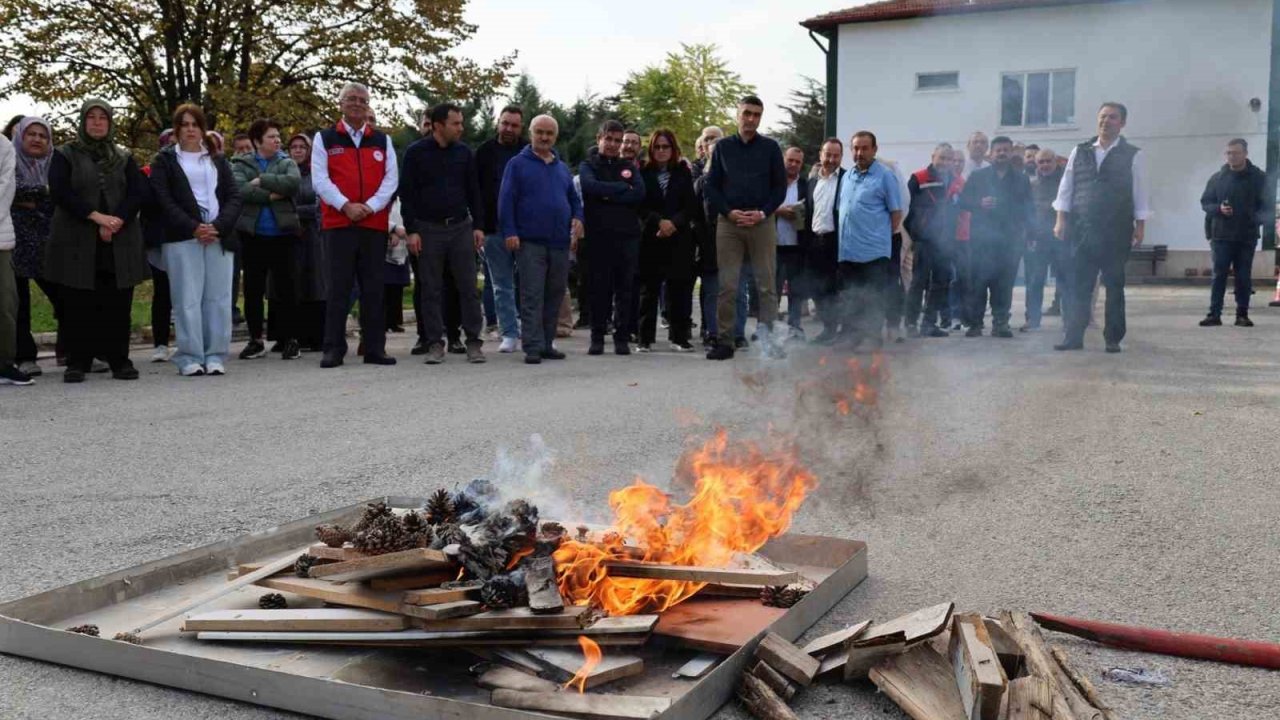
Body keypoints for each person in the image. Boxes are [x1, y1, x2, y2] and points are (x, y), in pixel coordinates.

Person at [44, 99, 148, 383]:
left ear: (110, 122)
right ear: (83, 121)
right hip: (77, 238)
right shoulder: (65, 154)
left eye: (103, 117)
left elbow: (137, 192)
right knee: (77, 302)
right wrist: (96, 218)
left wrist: (116, 221)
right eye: (92, 117)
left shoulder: (123, 156)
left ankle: (120, 361)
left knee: (117, 302)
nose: (98, 122)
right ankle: (77, 362)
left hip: (119, 239)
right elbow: (61, 192)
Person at [148, 104, 244, 376]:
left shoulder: (218, 160)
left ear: (203, 129)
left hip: (218, 236)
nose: (190, 129)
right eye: (184, 124)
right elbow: (163, 199)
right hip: (181, 237)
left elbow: (234, 196)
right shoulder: (164, 161)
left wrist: (217, 226)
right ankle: (189, 356)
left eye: (195, 124)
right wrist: (193, 227)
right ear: (176, 129)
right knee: (186, 298)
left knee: (219, 298)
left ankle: (215, 354)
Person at [312, 81, 399, 367]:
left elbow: (391, 180)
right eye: (351, 99)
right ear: (340, 103)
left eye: (362, 100)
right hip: (338, 223)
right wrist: (345, 206)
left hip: (373, 225)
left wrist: (371, 207)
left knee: (374, 288)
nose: (357, 104)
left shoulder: (382, 140)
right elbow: (320, 180)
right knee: (338, 287)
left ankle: (375, 348)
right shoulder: (324, 139)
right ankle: (333, 349)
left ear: (368, 105)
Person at [1053, 102, 1152, 353]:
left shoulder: (1133, 154)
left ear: (1122, 123)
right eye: (1103, 116)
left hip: (1116, 230)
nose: (1106, 121)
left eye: (1112, 117)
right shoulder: (1080, 150)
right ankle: (1073, 337)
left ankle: (1113, 338)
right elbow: (1066, 187)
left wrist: (1140, 226)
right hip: (1082, 229)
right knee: (1079, 286)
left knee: (1114, 287)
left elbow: (1140, 192)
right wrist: (1060, 219)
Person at [400, 103, 485, 365]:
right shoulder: (415, 153)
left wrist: (478, 226)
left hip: (460, 227)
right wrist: (412, 230)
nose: (461, 128)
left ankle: (473, 342)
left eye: (461, 123)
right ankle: (435, 343)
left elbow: (474, 191)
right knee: (430, 288)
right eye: (456, 123)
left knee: (468, 287)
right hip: (427, 229)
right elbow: (407, 194)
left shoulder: (464, 153)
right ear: (438, 126)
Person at [704, 96, 787, 360]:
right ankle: (725, 341)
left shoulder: (771, 148)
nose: (751, 119)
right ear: (737, 114)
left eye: (757, 115)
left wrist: (763, 212)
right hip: (729, 224)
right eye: (747, 113)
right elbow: (711, 186)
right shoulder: (722, 148)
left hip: (762, 223)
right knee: (728, 286)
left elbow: (780, 188)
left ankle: (769, 341)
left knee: (766, 286)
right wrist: (729, 212)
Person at [497, 114, 583, 364]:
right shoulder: (517, 164)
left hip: (559, 242)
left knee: (554, 293)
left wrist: (579, 217)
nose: (544, 137)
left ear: (555, 136)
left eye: (549, 133)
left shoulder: (562, 167)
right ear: (531, 133)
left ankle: (546, 343)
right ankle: (532, 346)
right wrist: (510, 231)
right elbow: (506, 200)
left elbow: (574, 199)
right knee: (532, 294)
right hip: (529, 242)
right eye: (540, 132)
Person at [232, 118, 302, 361]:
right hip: (253, 236)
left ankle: (291, 339)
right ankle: (255, 339)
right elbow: (240, 190)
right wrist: (273, 195)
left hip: (284, 235)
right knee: (253, 290)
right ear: (257, 141)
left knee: (287, 289)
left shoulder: (287, 162)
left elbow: (293, 184)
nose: (277, 140)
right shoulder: (240, 163)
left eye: (278, 136)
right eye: (272, 137)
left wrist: (262, 181)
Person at [579, 119, 645, 356]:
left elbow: (638, 193)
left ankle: (622, 338)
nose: (613, 144)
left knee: (625, 290)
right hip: (598, 238)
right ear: (599, 139)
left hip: (627, 237)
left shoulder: (630, 167)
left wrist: (606, 192)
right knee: (599, 289)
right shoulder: (588, 165)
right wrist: (620, 188)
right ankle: (597, 337)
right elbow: (589, 187)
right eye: (609, 139)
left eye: (618, 140)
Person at [835, 131, 902, 350]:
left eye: (864, 148)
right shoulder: (847, 176)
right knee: (852, 296)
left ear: (874, 149)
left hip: (874, 251)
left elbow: (896, 213)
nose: (859, 153)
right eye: (855, 148)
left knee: (873, 297)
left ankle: (872, 339)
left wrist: (879, 238)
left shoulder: (885, 175)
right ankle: (853, 336)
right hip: (847, 250)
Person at [959, 136, 1031, 338]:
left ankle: (1001, 323)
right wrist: (979, 203)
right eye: (998, 150)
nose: (1002, 153)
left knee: (1004, 284)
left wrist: (1031, 234)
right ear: (991, 153)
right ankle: (975, 324)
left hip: (1010, 241)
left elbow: (1029, 209)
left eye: (1006, 150)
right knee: (978, 283)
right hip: (981, 241)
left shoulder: (1021, 178)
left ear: (1011, 153)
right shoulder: (978, 176)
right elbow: (963, 202)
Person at [637, 128, 700, 352]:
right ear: (651, 149)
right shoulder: (643, 172)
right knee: (649, 289)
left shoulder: (683, 173)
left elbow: (691, 206)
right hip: (651, 237)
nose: (661, 151)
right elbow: (640, 205)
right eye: (657, 147)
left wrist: (673, 223)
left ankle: (679, 337)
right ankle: (644, 338)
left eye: (666, 146)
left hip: (679, 237)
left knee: (679, 288)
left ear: (673, 149)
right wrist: (659, 222)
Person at [1198, 138, 1268, 327]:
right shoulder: (1217, 178)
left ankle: (1242, 315)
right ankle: (1214, 314)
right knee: (1219, 275)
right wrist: (1219, 209)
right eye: (1228, 153)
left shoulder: (1259, 178)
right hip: (1221, 235)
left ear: (1245, 154)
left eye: (1235, 153)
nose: (1231, 156)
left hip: (1246, 235)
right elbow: (1205, 203)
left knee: (1243, 276)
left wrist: (1254, 219)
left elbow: (1267, 206)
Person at [10, 117, 59, 377]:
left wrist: (32, 198)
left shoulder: (55, 164)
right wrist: (44, 193)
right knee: (20, 303)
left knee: (64, 297)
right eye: (32, 134)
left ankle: (71, 350)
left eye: (43, 135)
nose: (37, 139)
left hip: (50, 241)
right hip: (16, 241)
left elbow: (63, 195)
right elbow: (10, 190)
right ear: (21, 136)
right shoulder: (8, 161)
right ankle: (25, 357)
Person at [476, 105, 527, 353]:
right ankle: (508, 332)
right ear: (498, 122)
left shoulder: (528, 152)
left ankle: (530, 330)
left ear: (521, 127)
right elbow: (473, 192)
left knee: (529, 283)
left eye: (514, 125)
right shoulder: (484, 152)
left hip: (525, 228)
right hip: (492, 228)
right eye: (505, 123)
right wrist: (477, 227)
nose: (508, 129)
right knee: (501, 284)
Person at [903, 143, 955, 338]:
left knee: (941, 283)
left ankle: (929, 323)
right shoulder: (919, 178)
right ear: (933, 156)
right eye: (942, 157)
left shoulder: (955, 181)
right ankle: (910, 323)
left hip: (946, 242)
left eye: (949, 159)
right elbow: (905, 208)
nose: (945, 162)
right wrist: (914, 235)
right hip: (923, 241)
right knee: (918, 282)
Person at [287, 132, 327, 350]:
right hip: (290, 234)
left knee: (316, 284)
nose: (298, 150)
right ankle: (294, 336)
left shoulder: (317, 174)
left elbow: (321, 205)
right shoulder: (284, 174)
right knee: (295, 284)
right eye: (294, 147)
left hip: (315, 234)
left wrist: (297, 212)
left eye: (302, 146)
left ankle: (317, 336)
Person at [0, 131, 32, 385]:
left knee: (6, 303)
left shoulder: (4, 146)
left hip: (0, 238)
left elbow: (6, 187)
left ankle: (4, 364)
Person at [806, 137, 845, 344]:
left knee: (837, 288)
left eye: (835, 155)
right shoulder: (812, 182)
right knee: (817, 288)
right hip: (815, 242)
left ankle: (843, 331)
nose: (831, 159)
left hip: (837, 242)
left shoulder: (848, 179)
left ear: (841, 157)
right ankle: (828, 328)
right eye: (827, 154)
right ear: (821, 155)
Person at [1023, 148, 1065, 331]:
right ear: (1036, 164)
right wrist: (1028, 236)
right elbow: (1027, 213)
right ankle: (1032, 320)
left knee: (1065, 281)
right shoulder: (1031, 186)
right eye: (1041, 162)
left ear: (1055, 162)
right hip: (1038, 241)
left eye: (1048, 161)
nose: (1045, 165)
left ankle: (1069, 320)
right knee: (1034, 281)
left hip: (1061, 239)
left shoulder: (1065, 184)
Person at [774, 146, 809, 340]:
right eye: (790, 160)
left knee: (797, 290)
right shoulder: (771, 182)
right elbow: (761, 205)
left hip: (797, 246)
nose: (794, 164)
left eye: (798, 162)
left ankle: (795, 327)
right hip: (773, 244)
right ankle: (768, 328)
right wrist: (778, 211)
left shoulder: (805, 185)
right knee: (772, 290)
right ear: (783, 160)